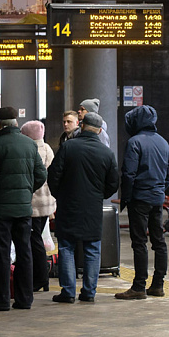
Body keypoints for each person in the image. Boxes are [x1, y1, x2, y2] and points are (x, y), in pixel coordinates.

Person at [0, 107, 47, 311]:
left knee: (1, 252)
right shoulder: (29, 144)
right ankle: (25, 299)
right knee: (25, 251)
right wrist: (26, 191)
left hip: (1, 210)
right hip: (24, 209)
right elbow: (41, 175)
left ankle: (1, 300)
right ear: (15, 122)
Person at [48, 112, 119, 304]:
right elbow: (114, 183)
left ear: (82, 126)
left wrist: (60, 195)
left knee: (66, 247)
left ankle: (68, 291)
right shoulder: (106, 153)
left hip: (68, 206)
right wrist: (99, 195)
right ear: (100, 130)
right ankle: (89, 292)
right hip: (92, 208)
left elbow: (53, 175)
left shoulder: (68, 147)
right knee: (92, 249)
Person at [116, 105, 169, 300]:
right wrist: (159, 189)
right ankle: (158, 284)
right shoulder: (164, 143)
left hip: (139, 199)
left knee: (139, 242)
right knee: (159, 242)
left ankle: (139, 286)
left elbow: (128, 174)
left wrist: (127, 197)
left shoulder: (134, 142)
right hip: (157, 199)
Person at [20, 120, 57, 293]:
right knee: (37, 239)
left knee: (33, 240)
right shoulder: (47, 148)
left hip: (34, 202)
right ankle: (43, 279)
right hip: (46, 202)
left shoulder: (28, 149)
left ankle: (41, 278)